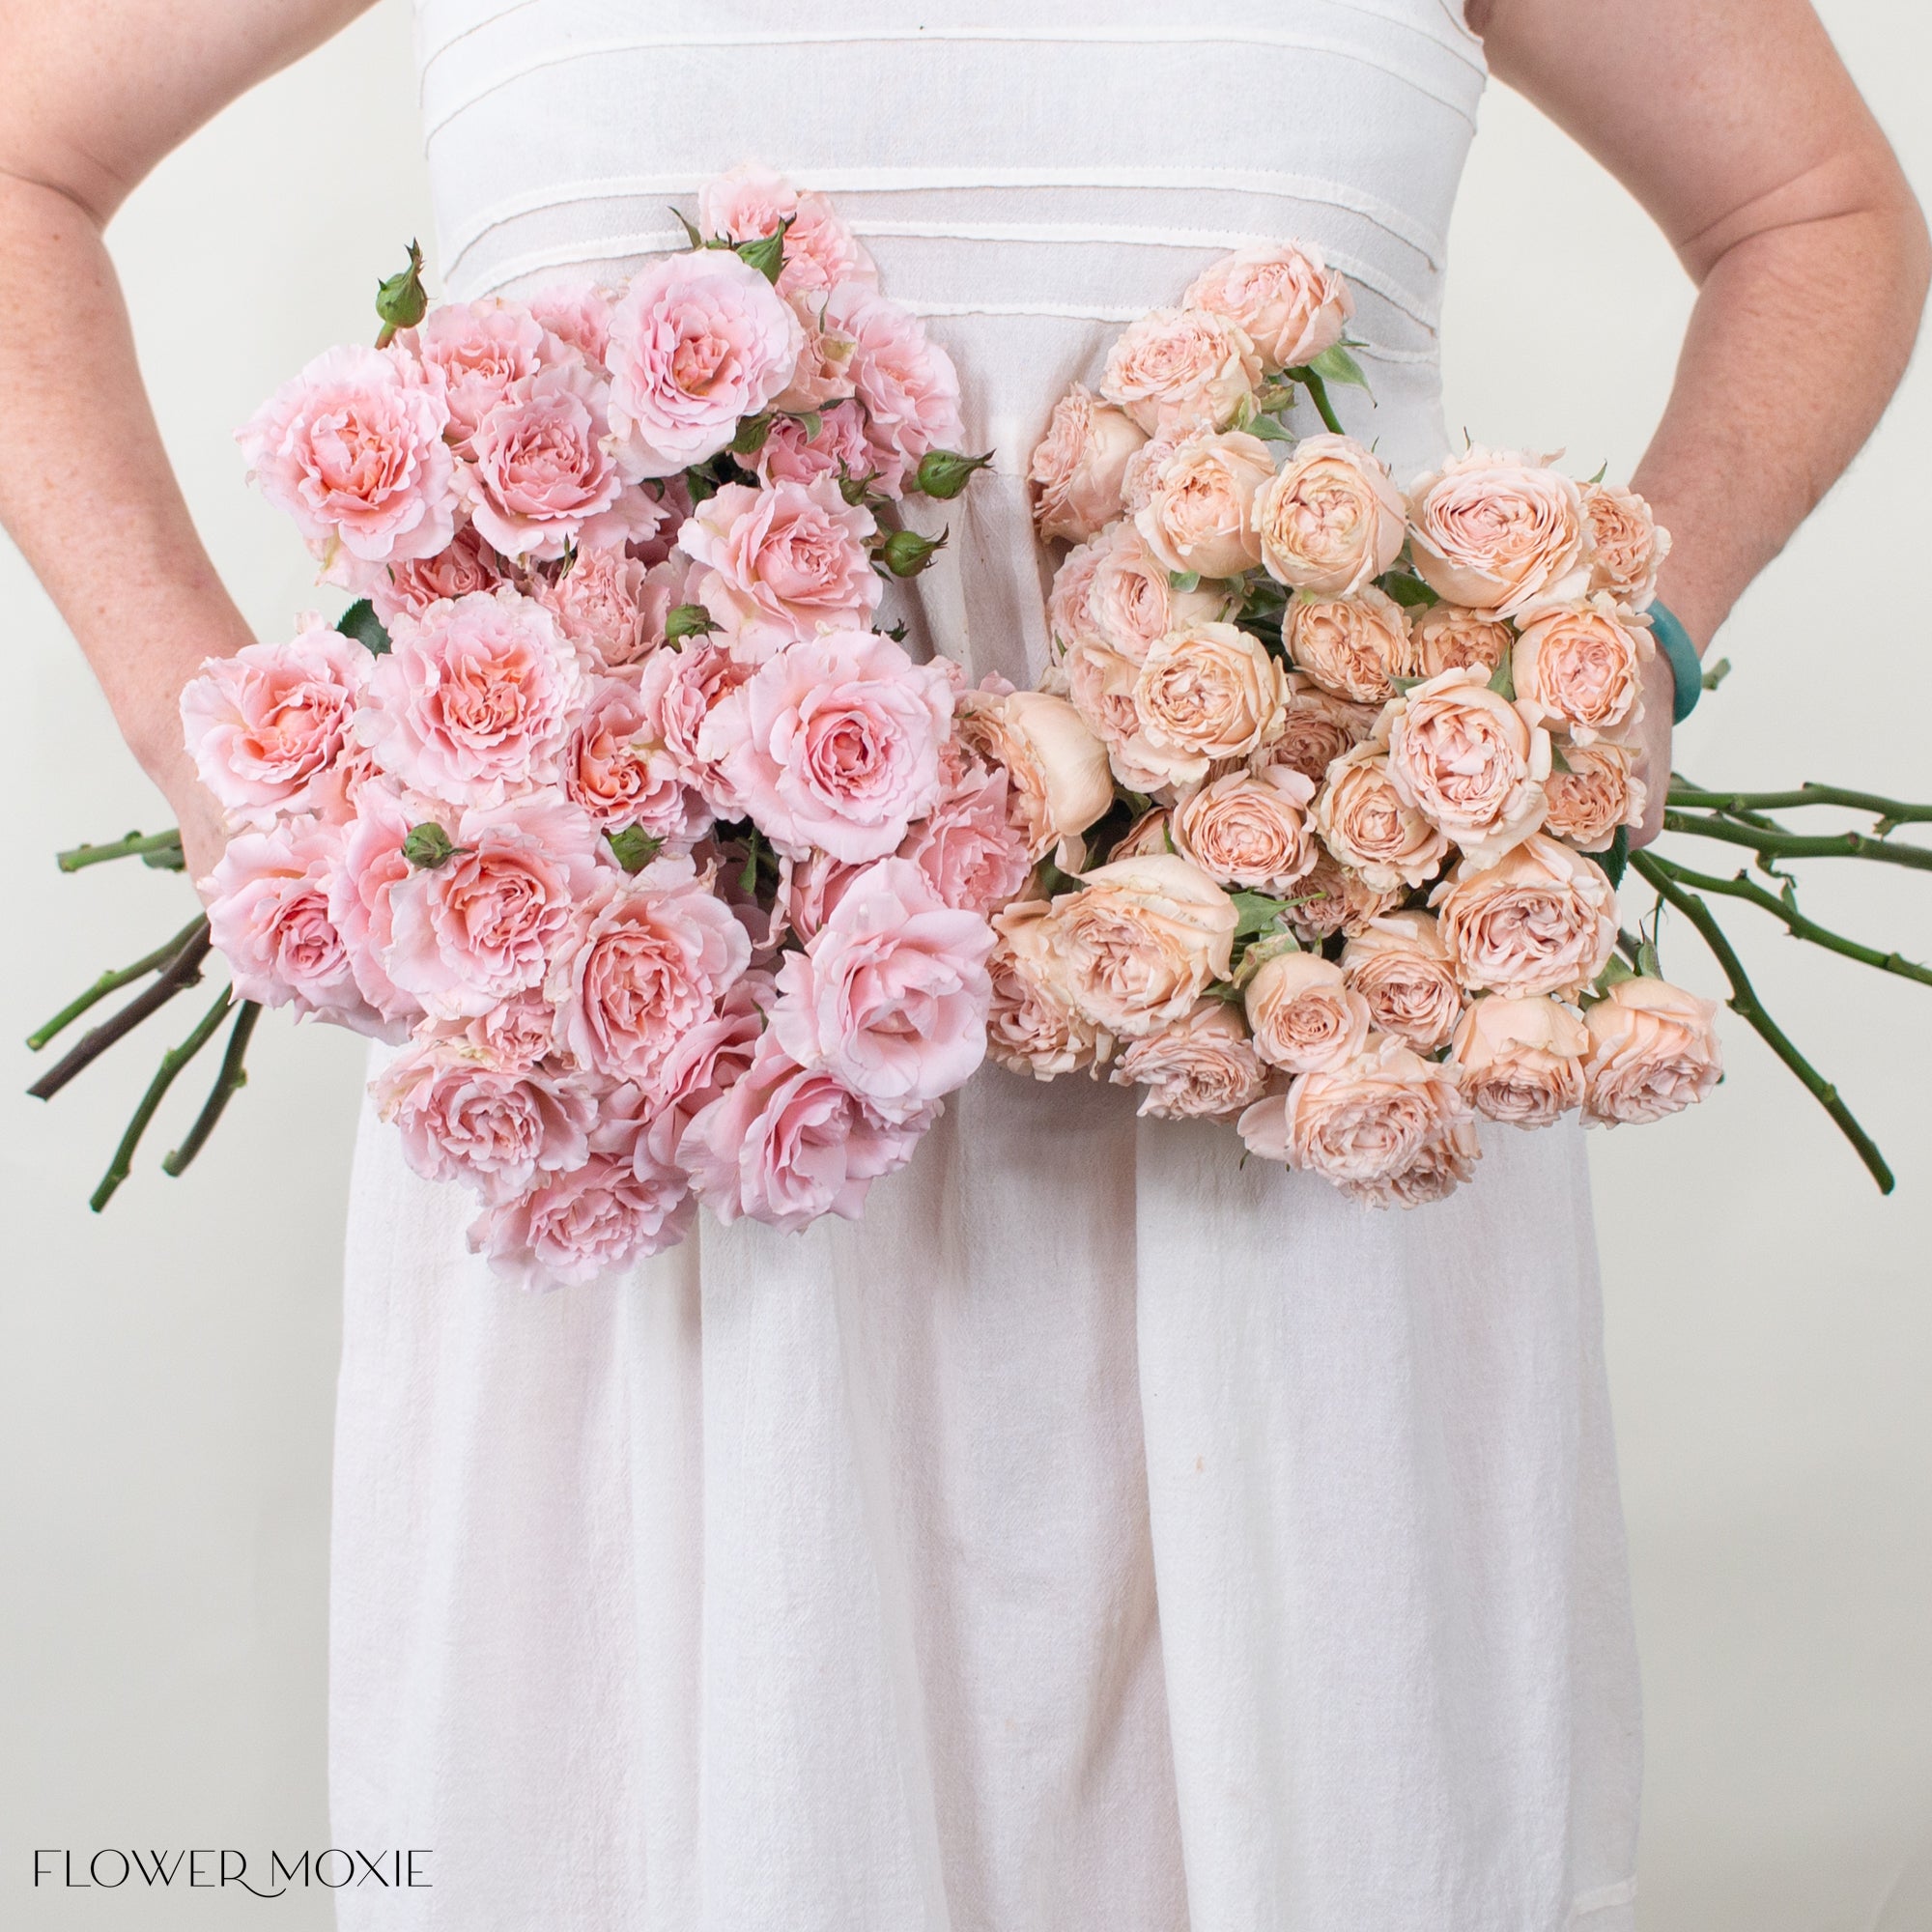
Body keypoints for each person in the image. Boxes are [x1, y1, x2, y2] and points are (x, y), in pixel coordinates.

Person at [1, 2, 1923, 1927]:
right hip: (684, 1170)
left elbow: (1817, 211)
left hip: (1285, 1127)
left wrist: (1619, 654)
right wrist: (212, 742)